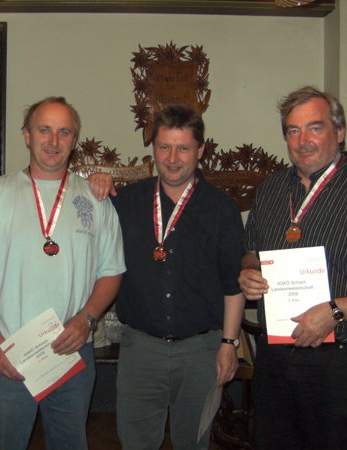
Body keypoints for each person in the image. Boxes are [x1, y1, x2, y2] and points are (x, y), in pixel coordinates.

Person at [0, 96, 125, 450]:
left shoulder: (95, 200)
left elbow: (111, 272)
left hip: (72, 351)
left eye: (64, 132)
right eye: (44, 130)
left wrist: (87, 319)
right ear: (27, 135)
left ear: (74, 140)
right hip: (8, 353)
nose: (53, 141)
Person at [238, 86, 347, 450]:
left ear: (339, 132)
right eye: (293, 131)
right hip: (277, 359)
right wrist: (249, 272)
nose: (303, 141)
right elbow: (250, 251)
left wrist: (335, 311)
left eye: (315, 128)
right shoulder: (271, 190)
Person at [91, 104, 245, 449]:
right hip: (140, 349)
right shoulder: (125, 201)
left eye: (183, 148)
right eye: (164, 147)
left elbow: (232, 283)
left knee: (194, 442)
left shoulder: (221, 208)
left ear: (200, 150)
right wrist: (91, 183)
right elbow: (83, 221)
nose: (172, 158)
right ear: (153, 149)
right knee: (135, 442)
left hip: (202, 351)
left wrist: (229, 344)